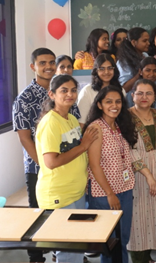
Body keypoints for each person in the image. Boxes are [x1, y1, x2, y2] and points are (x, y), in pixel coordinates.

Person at [13, 48, 82, 263]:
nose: (48, 66)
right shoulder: (24, 98)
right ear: (33, 67)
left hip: (65, 169)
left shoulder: (65, 89)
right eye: (42, 63)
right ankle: (37, 257)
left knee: (62, 225)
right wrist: (44, 164)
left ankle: (60, 254)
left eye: (52, 62)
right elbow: (25, 138)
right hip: (39, 168)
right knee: (39, 217)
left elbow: (76, 125)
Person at [35, 74, 99, 263]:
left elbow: (76, 152)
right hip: (59, 194)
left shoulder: (70, 118)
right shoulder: (50, 122)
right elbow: (51, 162)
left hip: (75, 192)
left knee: (76, 245)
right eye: (64, 90)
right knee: (68, 250)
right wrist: (84, 146)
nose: (70, 94)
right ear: (52, 94)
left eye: (73, 90)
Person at [85, 86, 138, 263]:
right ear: (100, 105)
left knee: (123, 238)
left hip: (125, 189)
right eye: (109, 101)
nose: (114, 105)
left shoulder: (120, 126)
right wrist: (110, 193)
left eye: (118, 101)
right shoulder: (96, 128)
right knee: (109, 242)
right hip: (104, 193)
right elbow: (94, 165)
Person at [127, 79, 156, 263]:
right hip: (138, 171)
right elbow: (129, 149)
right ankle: (138, 258)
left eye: (148, 93)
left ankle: (149, 256)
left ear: (155, 96)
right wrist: (148, 175)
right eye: (140, 93)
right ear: (132, 95)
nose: (144, 97)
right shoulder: (126, 117)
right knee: (138, 215)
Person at [77, 53, 123, 125]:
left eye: (110, 68)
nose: (106, 72)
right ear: (96, 71)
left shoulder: (120, 90)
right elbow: (81, 122)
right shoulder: (87, 91)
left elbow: (123, 115)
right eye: (102, 69)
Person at [116, 27, 150, 92]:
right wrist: (139, 74)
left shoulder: (145, 55)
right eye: (144, 41)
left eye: (148, 40)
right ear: (134, 42)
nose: (148, 43)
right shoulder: (123, 62)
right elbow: (124, 88)